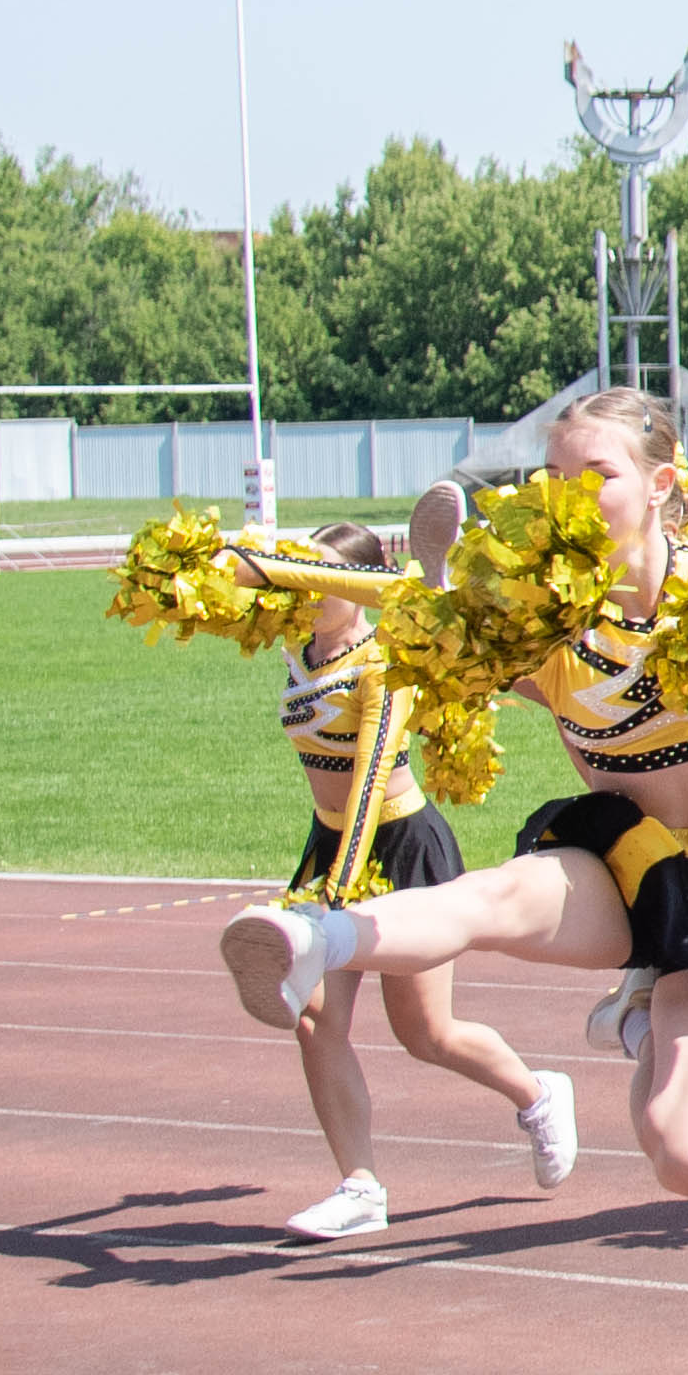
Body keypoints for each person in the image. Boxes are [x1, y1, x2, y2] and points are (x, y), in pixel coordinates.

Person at [216, 388, 688, 1201]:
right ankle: (311, 940)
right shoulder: (546, 631)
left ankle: (645, 1007)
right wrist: (259, 567)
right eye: (552, 475)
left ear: (659, 483)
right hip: (621, 864)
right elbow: (397, 603)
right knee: (488, 900)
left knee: (686, 1160)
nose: (569, 496)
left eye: (598, 473)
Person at [239, 525, 572, 1240]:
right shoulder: (296, 650)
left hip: (395, 842)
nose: (311, 588)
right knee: (314, 1019)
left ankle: (537, 1093)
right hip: (328, 845)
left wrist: (337, 892)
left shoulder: (382, 664)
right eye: (302, 573)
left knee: (425, 1033)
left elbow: (366, 782)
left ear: (364, 586)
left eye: (327, 575)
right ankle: (360, 1186)